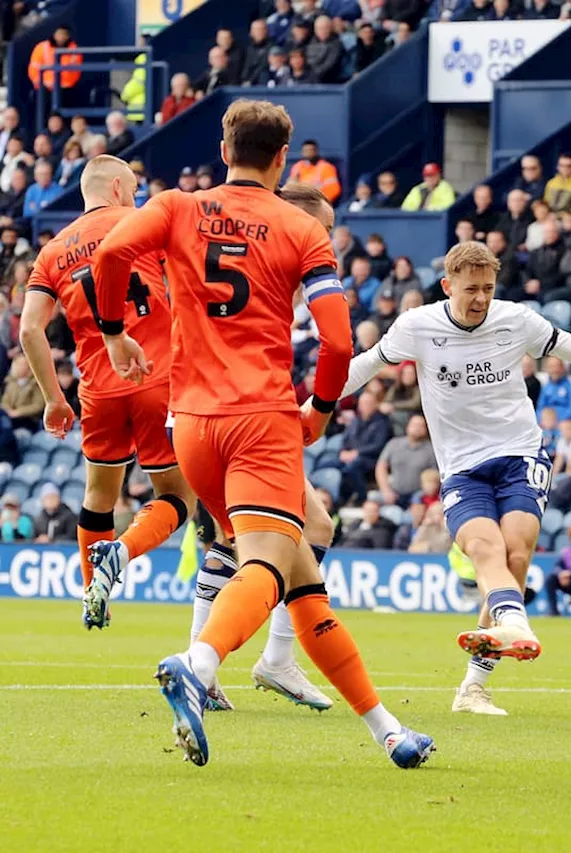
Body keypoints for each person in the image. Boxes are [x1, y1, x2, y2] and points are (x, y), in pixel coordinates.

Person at [92, 102, 433, 768]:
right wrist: (324, 410)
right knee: (267, 566)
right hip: (260, 420)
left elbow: (108, 252)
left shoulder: (175, 207)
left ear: (224, 147)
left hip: (190, 423)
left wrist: (113, 331)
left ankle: (388, 729)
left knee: (301, 574)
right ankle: (198, 661)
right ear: (285, 160)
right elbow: (337, 339)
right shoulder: (300, 227)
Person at [320, 240, 571, 717]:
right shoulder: (418, 326)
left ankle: (480, 674)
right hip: (462, 467)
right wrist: (310, 407)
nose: (480, 299)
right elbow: (366, 366)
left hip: (519, 454)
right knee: (485, 550)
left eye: (488, 288)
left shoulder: (516, 319)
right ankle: (500, 642)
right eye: (471, 289)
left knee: (515, 551)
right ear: (448, 285)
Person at [20, 155, 194, 630]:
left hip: (98, 387)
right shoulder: (142, 222)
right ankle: (121, 551)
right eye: (134, 190)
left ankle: (90, 588)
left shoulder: (53, 251)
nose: (136, 197)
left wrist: (56, 399)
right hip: (156, 375)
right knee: (178, 496)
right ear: (118, 187)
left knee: (98, 495)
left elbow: (30, 330)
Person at [375, 413, 436, 508]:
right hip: (394, 492)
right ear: (407, 427)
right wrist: (386, 490)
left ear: (426, 430)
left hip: (418, 496)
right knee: (372, 498)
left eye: (421, 426)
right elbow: (381, 466)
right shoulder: (393, 444)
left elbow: (433, 476)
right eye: (414, 425)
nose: (417, 428)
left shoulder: (431, 450)